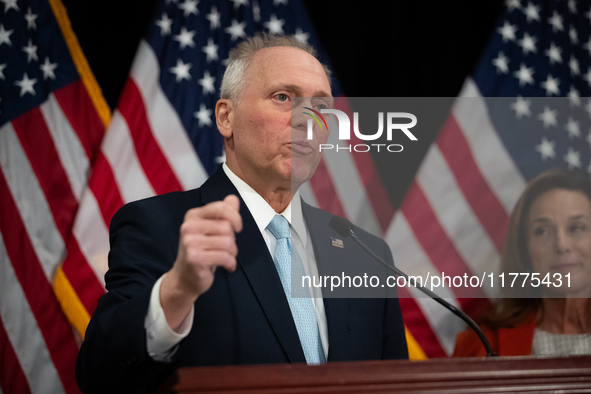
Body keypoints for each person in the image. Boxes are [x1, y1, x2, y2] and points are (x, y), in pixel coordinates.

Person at [76, 33, 408, 394]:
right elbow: (99, 375)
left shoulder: (366, 255)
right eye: (283, 97)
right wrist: (177, 291)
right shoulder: (160, 227)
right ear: (225, 117)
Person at [453, 169, 591, 357]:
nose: (561, 245)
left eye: (576, 228)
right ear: (524, 250)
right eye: (542, 231)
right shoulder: (482, 343)